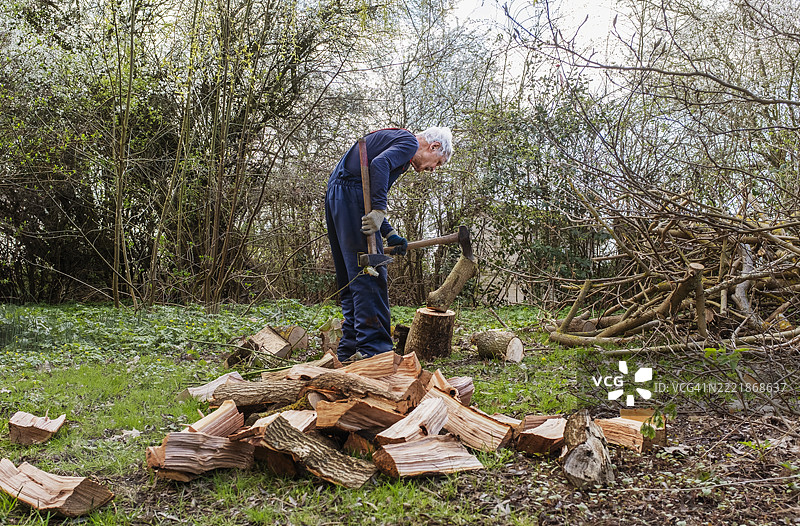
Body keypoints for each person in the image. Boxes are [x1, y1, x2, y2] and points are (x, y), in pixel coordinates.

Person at [325, 127, 453, 362]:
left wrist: (389, 233)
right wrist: (381, 210)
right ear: (434, 147)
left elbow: (369, 191)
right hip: (350, 193)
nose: (432, 169)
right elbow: (379, 165)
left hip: (338, 196)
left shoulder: (400, 149)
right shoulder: (408, 143)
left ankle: (348, 350)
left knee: (351, 276)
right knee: (370, 272)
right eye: (438, 163)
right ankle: (375, 352)